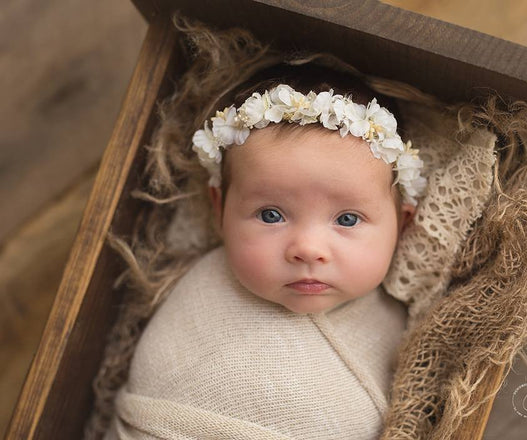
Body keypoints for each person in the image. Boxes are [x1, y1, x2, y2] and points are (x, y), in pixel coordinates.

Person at [104, 64, 427, 439]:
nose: (307, 249)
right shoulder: (200, 300)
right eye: (271, 215)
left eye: (348, 219)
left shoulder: (410, 326)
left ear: (402, 224)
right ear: (219, 207)